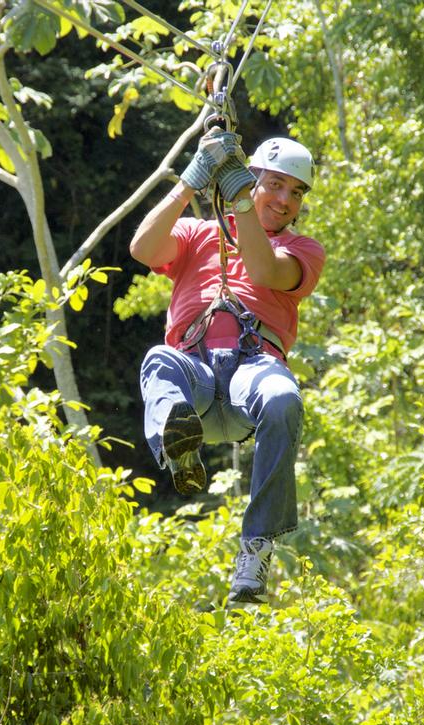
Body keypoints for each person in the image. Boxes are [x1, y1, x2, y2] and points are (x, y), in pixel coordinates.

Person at [129, 129, 325, 605]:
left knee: (283, 399)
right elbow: (143, 249)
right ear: (253, 179)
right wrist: (190, 183)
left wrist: (240, 200)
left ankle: (256, 550)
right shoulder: (199, 235)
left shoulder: (303, 251)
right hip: (193, 369)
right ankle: (181, 449)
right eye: (274, 184)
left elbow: (262, 272)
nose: (285, 200)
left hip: (252, 372)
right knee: (159, 361)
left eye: (295, 192)